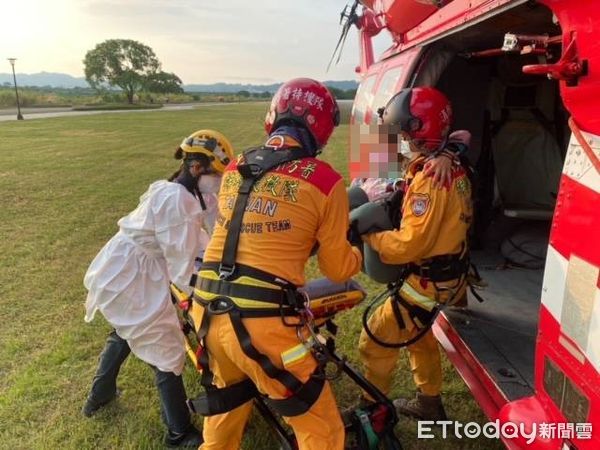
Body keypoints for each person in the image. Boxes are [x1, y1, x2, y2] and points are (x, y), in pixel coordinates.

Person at [188, 78, 363, 450]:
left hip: (208, 311)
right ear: (322, 130)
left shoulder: (236, 169)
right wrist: (356, 252)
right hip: (266, 325)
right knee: (322, 429)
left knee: (227, 411)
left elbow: (248, 231)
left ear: (274, 116)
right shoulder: (326, 181)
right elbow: (336, 268)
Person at [82, 129, 234, 448]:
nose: (218, 182)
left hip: (130, 268)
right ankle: (178, 432)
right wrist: (218, 293)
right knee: (166, 346)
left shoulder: (188, 191)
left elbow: (215, 220)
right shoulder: (176, 200)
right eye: (215, 175)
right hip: (131, 275)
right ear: (196, 168)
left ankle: (100, 393)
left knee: (126, 329)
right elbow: (183, 270)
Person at [356, 87, 473, 420]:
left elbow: (408, 245)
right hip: (449, 274)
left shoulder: (431, 179)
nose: (402, 141)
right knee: (417, 336)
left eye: (406, 134)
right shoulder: (452, 164)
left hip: (428, 279)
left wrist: (372, 237)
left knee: (376, 337)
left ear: (420, 132)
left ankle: (371, 410)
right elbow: (457, 139)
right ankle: (430, 403)